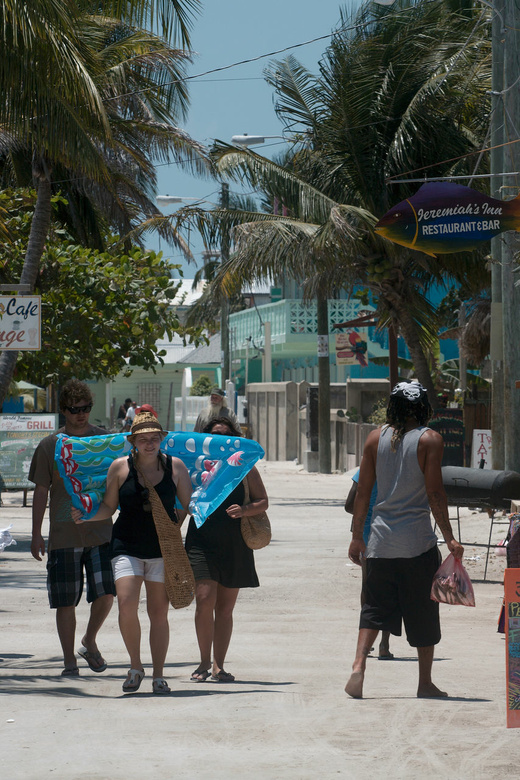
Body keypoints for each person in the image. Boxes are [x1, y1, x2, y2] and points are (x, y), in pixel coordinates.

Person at [344, 381, 464, 700]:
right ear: (423, 407)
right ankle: (424, 683)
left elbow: (363, 493)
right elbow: (435, 492)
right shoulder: (430, 439)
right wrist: (450, 537)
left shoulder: (374, 438)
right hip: (417, 543)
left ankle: (359, 665)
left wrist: (358, 537)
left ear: (393, 407)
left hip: (380, 541)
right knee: (423, 611)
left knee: (373, 607)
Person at [72, 411, 192, 694]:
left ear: (162, 439)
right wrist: (86, 517)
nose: (149, 444)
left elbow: (185, 505)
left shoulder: (175, 467)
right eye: (143, 439)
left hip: (161, 549)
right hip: (125, 545)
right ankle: (135, 667)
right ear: (132, 441)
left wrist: (173, 529)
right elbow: (109, 507)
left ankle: (159, 675)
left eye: (154, 438)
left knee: (158, 612)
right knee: (126, 604)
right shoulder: (119, 467)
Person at [29, 379, 115, 677]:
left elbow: (118, 482)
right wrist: (37, 533)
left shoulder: (104, 441)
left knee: (106, 594)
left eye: (86, 408)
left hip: (100, 530)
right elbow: (42, 490)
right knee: (66, 600)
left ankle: (89, 640)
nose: (81, 414)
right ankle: (69, 661)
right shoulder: (50, 445)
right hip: (63, 533)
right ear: (63, 410)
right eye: (75, 409)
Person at [185, 416, 268, 682]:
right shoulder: (194, 467)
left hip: (235, 543)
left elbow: (263, 501)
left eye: (225, 436)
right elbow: (179, 498)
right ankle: (202, 662)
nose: (221, 441)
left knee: (224, 609)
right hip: (201, 540)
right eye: (215, 436)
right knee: (204, 599)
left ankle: (219, 665)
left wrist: (244, 510)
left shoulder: (244, 467)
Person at [345, 470, 393, 659]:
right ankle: (384, 644)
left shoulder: (363, 471)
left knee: (368, 586)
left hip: (366, 534)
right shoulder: (398, 469)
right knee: (390, 586)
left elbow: (349, 505)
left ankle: (366, 643)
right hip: (391, 531)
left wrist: (367, 508)